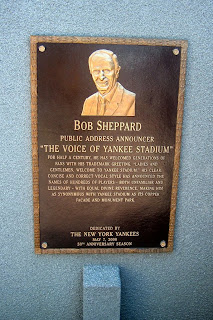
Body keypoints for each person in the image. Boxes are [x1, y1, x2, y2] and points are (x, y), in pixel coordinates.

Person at [81, 49, 135, 116]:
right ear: (91, 72)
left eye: (107, 70)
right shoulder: (88, 102)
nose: (101, 77)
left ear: (117, 72)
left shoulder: (131, 100)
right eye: (96, 71)